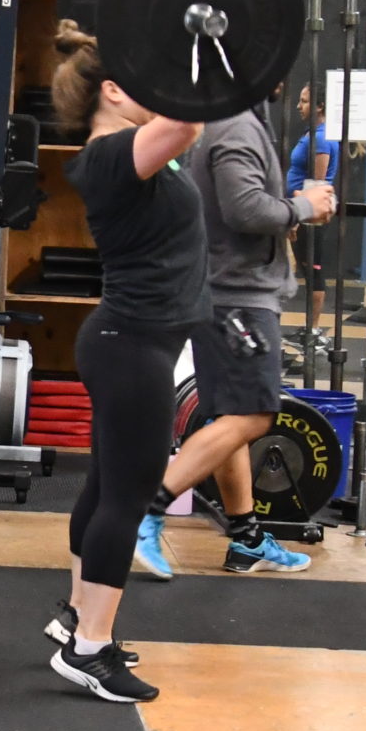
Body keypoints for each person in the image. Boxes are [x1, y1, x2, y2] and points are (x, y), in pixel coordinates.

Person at [40, 23, 203, 703]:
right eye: (142, 83)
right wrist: (201, 51)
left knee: (107, 487)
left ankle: (79, 616)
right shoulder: (110, 155)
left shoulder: (128, 155)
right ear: (112, 90)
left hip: (131, 342)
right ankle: (90, 650)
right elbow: (188, 122)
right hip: (131, 345)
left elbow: (182, 129)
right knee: (128, 497)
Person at [136, 96, 336, 581]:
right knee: (254, 415)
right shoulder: (237, 127)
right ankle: (147, 510)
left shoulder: (226, 122)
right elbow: (244, 209)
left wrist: (284, 213)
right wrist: (302, 207)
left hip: (223, 290)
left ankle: (246, 538)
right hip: (240, 298)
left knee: (229, 415)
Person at [284, 83, 340, 349]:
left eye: (304, 101)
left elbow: (317, 184)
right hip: (302, 210)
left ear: (320, 106)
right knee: (308, 269)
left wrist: (297, 218)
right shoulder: (313, 134)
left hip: (309, 214)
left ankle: (313, 331)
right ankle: (310, 329)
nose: (299, 106)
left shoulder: (322, 138)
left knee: (313, 270)